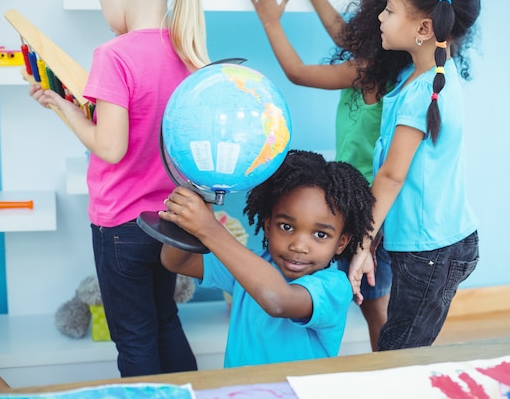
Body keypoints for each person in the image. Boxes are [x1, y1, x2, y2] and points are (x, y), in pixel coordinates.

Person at [29, 0, 209, 377]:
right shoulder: (187, 52)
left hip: (121, 226)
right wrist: (66, 102)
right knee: (165, 320)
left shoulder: (114, 54)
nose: (102, 7)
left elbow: (111, 148)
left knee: (134, 337)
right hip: (169, 221)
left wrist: (69, 113)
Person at [248, 0, 411, 351]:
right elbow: (344, 34)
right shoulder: (388, 67)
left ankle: (387, 368)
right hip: (370, 205)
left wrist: (271, 21)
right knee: (372, 301)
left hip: (367, 210)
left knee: (374, 305)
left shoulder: (367, 71)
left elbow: (298, 72)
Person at [348, 0, 482, 351]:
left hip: (430, 255)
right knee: (401, 344)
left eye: (389, 10)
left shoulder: (424, 92)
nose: (379, 16)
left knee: (399, 353)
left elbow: (392, 176)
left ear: (424, 28)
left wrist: (362, 242)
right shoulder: (425, 81)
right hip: (434, 246)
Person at [159, 150, 375, 367]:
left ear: (341, 242)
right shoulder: (248, 267)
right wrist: (189, 208)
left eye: (321, 234)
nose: (299, 245)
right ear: (268, 225)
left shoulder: (334, 287)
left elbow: (278, 301)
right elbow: (177, 262)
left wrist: (209, 229)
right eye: (286, 226)